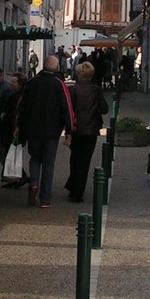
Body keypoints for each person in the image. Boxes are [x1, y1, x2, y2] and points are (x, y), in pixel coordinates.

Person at [16, 54, 74, 208]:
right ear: (56, 68)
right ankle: (45, 198)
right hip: (52, 131)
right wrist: (69, 130)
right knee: (49, 163)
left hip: (32, 129)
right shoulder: (59, 84)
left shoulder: (32, 82)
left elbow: (21, 106)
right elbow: (67, 108)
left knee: (35, 158)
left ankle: (34, 183)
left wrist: (19, 126)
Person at [64, 61, 108, 202]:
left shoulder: (73, 90)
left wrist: (68, 129)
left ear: (78, 74)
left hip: (76, 129)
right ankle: (77, 191)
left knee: (75, 159)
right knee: (84, 160)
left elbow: (68, 110)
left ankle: (74, 188)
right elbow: (104, 108)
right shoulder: (96, 90)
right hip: (91, 130)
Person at [0, 71, 29, 188]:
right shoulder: (14, 95)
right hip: (10, 128)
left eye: (14, 82)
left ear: (20, 84)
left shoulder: (22, 97)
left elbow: (18, 113)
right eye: (11, 81)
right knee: (10, 152)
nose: (11, 83)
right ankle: (17, 177)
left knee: (12, 152)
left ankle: (20, 177)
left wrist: (17, 126)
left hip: (15, 129)